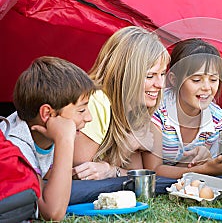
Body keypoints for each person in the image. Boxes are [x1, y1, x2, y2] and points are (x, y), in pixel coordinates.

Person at [0, 56, 96, 221]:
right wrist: (64, 140)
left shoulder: (41, 134)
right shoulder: (16, 145)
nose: (89, 117)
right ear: (46, 114)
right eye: (81, 110)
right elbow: (52, 213)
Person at [73, 26, 170, 180]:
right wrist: (129, 145)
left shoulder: (135, 107)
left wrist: (112, 170)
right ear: (125, 74)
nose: (160, 84)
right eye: (150, 76)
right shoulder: (97, 101)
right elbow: (80, 173)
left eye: (162, 74)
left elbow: (136, 174)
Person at [143, 38, 222, 179]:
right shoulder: (157, 110)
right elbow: (153, 171)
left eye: (213, 80)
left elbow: (189, 166)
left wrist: (201, 159)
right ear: (174, 79)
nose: (207, 87)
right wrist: (204, 169)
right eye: (196, 80)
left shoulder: (216, 118)